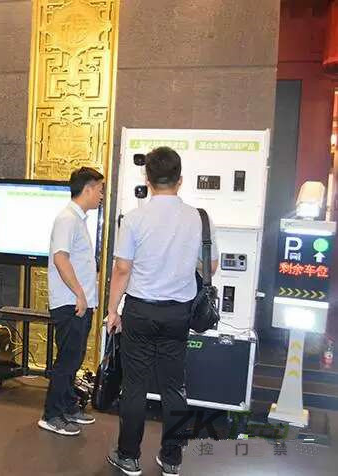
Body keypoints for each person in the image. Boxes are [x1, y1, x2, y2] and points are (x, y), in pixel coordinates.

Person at [105, 147, 218, 476]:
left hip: (140, 312)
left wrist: (113, 310)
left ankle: (129, 456)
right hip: (178, 313)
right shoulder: (199, 218)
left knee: (135, 386)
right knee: (174, 387)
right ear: (180, 180)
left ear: (148, 179)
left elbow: (122, 269)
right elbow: (210, 266)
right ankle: (172, 458)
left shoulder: (134, 218)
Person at [38, 167, 104, 436]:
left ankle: (67, 407)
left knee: (74, 359)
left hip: (79, 302)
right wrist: (79, 293)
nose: (101, 195)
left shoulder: (78, 219)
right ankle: (51, 415)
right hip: (70, 303)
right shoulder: (67, 219)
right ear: (87, 189)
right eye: (99, 189)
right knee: (66, 361)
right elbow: (60, 259)